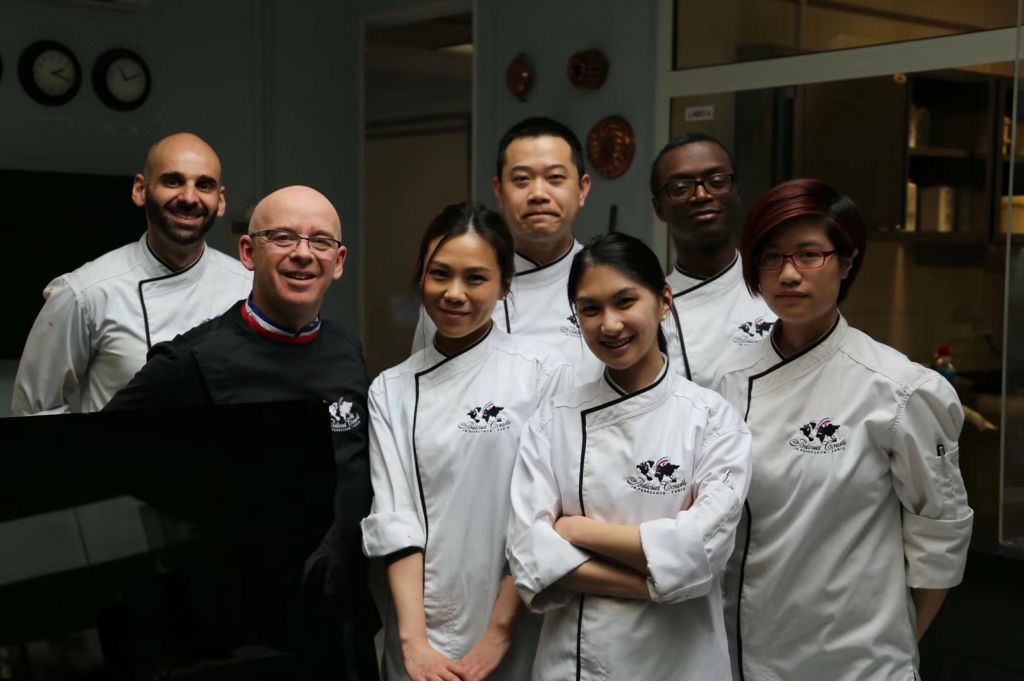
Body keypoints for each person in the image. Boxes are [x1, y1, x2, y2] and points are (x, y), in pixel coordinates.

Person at [105, 185, 378, 679]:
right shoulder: (192, 360)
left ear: (338, 262)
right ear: (249, 252)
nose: (303, 253)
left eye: (320, 241)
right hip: (247, 633)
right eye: (283, 237)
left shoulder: (346, 348)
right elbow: (106, 453)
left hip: (342, 616)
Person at [712, 179, 973, 681]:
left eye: (810, 255)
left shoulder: (899, 389)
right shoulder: (730, 380)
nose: (789, 274)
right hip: (743, 654)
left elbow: (939, 548)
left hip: (857, 664)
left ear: (847, 262)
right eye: (771, 257)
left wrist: (891, 650)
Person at [506, 232, 751, 680]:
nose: (610, 324)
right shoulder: (554, 419)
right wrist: (655, 584)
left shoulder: (713, 420)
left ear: (664, 302)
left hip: (679, 663)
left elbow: (704, 549)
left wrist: (579, 531)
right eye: (590, 309)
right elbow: (529, 552)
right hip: (572, 665)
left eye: (625, 302)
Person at [361, 203, 574, 681]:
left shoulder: (543, 374)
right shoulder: (391, 390)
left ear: (505, 285)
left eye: (475, 278)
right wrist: (414, 643)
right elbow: (395, 520)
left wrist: (498, 632)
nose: (454, 293)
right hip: (417, 631)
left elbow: (548, 516)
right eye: (440, 274)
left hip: (517, 620)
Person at [11, 133, 252, 415]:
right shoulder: (85, 293)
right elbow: (35, 412)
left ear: (220, 201)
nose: (189, 197)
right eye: (173, 181)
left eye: (204, 185)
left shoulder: (249, 288)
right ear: (140, 189)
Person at [413, 117, 603, 381]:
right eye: (522, 179)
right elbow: (425, 382)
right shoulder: (452, 294)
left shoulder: (606, 282)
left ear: (582, 189)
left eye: (555, 178)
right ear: (499, 191)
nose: (538, 194)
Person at [650, 133, 775, 387]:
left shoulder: (779, 286)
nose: (701, 195)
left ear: (737, 192)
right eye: (681, 188)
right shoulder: (651, 308)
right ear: (659, 208)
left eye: (717, 182)